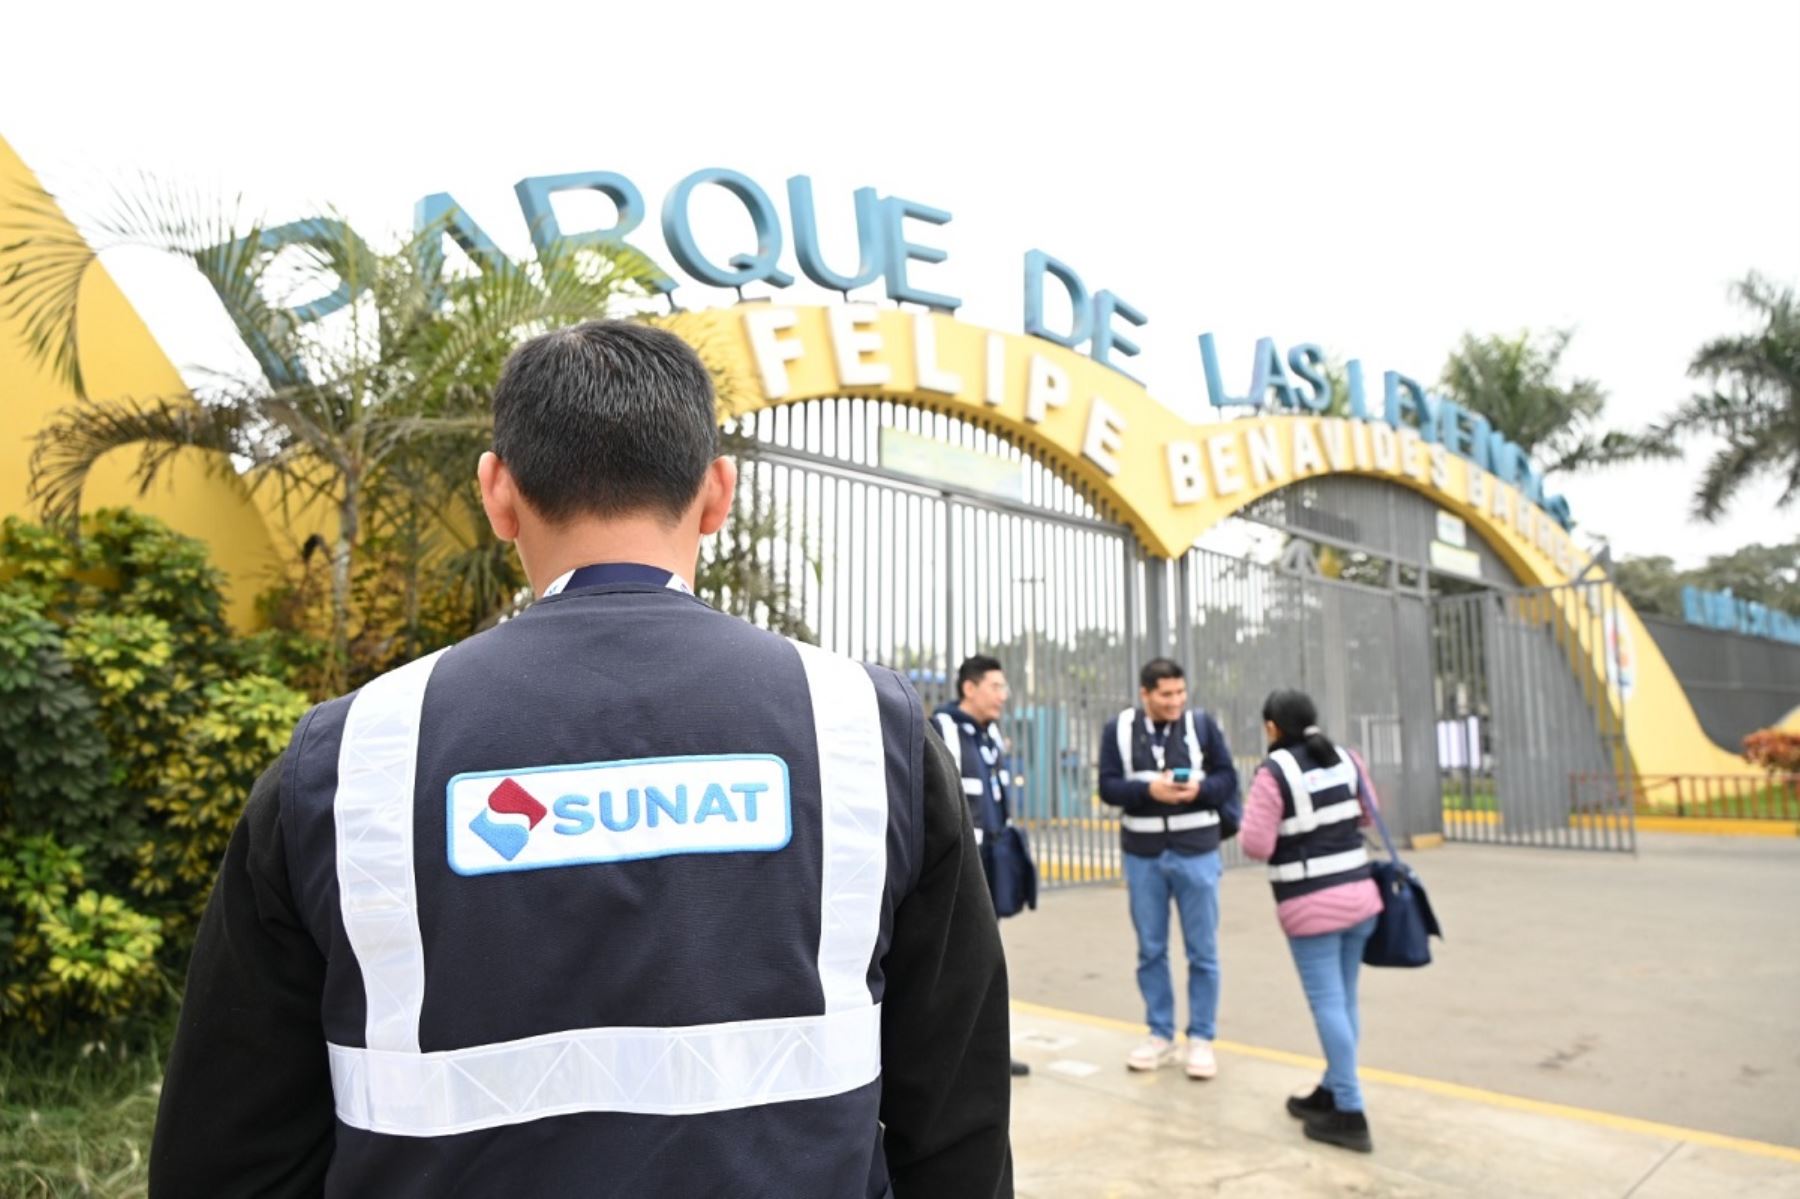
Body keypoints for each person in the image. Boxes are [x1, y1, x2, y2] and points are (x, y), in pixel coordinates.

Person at [148, 320, 1014, 1198]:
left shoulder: (350, 760)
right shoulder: (871, 736)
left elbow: (224, 1155)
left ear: (498, 493)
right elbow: (954, 1122)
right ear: (717, 495)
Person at [1239, 688, 1382, 1154]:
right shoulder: (1346, 758)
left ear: (1272, 727)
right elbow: (1369, 813)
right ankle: (1333, 1087)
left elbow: (1256, 844)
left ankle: (1350, 1111)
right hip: (1360, 896)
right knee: (1344, 1002)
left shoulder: (1274, 772)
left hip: (1311, 904)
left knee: (1328, 1005)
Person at [1096, 657, 1239, 1079]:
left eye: (1180, 692)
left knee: (1203, 951)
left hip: (1197, 852)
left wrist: (1198, 790)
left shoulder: (1202, 725)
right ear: (1145, 694)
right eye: (1166, 695)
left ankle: (1201, 1038)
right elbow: (1107, 787)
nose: (1175, 701)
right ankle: (1160, 1034)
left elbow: (1228, 779)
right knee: (1151, 950)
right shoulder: (1118, 730)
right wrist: (1148, 789)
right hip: (1143, 856)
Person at [933, 655, 1036, 1078]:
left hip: (993, 860)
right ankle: (954, 1058)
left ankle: (987, 1051)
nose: (1003, 695)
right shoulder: (941, 729)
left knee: (986, 959)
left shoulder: (990, 734)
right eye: (996, 686)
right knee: (956, 962)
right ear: (969, 688)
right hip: (958, 865)